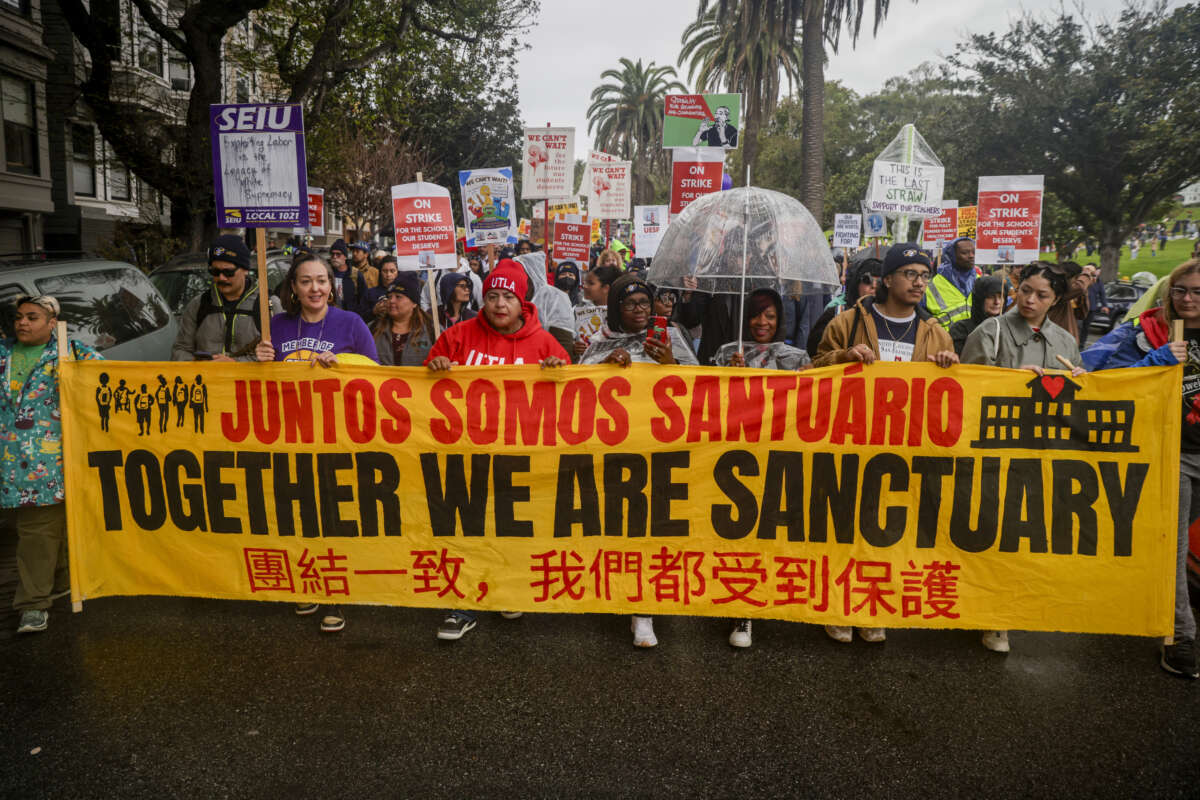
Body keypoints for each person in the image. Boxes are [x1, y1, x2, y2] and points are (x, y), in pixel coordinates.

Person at [813, 244, 959, 644]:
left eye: (924, 276)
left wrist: (949, 366)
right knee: (844, 529)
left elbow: (951, 394)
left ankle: (872, 604)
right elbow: (813, 371)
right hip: (851, 445)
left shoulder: (936, 333)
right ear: (888, 279)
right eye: (910, 273)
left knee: (889, 530)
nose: (918, 282)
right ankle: (840, 605)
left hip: (905, 451)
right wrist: (843, 356)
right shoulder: (847, 322)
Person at [425, 262, 569, 640]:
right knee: (464, 531)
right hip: (464, 455)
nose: (499, 304)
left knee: (513, 528)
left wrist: (558, 371)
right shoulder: (457, 336)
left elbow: (573, 397)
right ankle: (460, 606)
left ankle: (508, 588)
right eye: (492, 296)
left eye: (508, 297)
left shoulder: (544, 343)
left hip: (520, 459)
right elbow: (422, 391)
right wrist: (435, 366)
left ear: (523, 303)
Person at [961, 262, 1086, 654]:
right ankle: (975, 607)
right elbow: (965, 388)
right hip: (991, 452)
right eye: (1025, 290)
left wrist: (1080, 383)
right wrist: (1010, 383)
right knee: (983, 532)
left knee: (1022, 534)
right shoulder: (990, 331)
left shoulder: (1065, 342)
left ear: (1057, 300)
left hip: (1041, 455)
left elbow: (1074, 406)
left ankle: (1002, 614)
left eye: (1041, 295)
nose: (1029, 300)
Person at [256, 252, 377, 635]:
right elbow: (260, 385)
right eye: (306, 281)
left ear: (332, 285)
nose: (315, 288)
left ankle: (336, 595)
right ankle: (306, 582)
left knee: (334, 516)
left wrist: (345, 366)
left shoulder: (352, 323)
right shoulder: (275, 325)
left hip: (337, 438)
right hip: (290, 437)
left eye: (322, 280)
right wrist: (257, 360)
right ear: (293, 287)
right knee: (298, 514)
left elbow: (377, 376)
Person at [578, 273, 699, 648]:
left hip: (661, 451)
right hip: (616, 453)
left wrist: (671, 363)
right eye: (631, 305)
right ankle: (618, 593)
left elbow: (702, 387)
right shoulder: (600, 342)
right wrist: (604, 369)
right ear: (615, 308)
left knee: (653, 528)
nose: (640, 311)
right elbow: (576, 388)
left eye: (645, 303)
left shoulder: (670, 337)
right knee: (619, 526)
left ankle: (644, 608)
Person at [1095, 258, 1200, 678]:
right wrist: (1153, 362)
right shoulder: (1144, 332)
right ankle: (1181, 637)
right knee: (1171, 547)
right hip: (1167, 453)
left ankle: (1132, 593)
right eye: (1180, 291)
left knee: (1161, 545)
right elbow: (1103, 381)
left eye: (1196, 292)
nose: (1188, 299)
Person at [713, 288, 811, 648]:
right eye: (755, 314)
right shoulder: (727, 354)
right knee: (737, 533)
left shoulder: (796, 357)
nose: (762, 323)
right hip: (733, 462)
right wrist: (727, 378)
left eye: (770, 316)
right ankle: (742, 610)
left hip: (777, 459)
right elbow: (705, 404)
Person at [1, 295, 103, 633]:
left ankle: (32, 605)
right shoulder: (3, 354)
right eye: (19, 317)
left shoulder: (69, 352)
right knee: (44, 530)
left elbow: (108, 380)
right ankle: (58, 580)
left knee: (37, 532)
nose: (22, 323)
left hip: (49, 463)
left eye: (32, 317)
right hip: (9, 462)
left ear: (52, 323)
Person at [172, 234, 281, 361]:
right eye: (215, 272)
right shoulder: (198, 305)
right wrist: (203, 366)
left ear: (245, 270)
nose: (222, 278)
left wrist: (235, 366)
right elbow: (180, 350)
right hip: (207, 379)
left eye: (228, 272)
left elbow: (281, 356)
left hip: (248, 380)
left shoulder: (268, 305)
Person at [807, 258, 882, 357]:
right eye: (867, 280)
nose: (874, 286)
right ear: (856, 283)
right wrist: (845, 355)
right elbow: (816, 353)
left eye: (880, 282)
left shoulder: (891, 318)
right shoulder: (837, 313)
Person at [372, 273, 436, 366]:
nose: (391, 301)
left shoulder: (432, 330)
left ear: (414, 303)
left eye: (398, 297)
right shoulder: (372, 329)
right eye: (389, 297)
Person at [925, 237, 977, 329]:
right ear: (951, 255)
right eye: (965, 252)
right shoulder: (932, 286)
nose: (971, 256)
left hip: (975, 340)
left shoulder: (979, 282)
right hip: (944, 341)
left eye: (974, 252)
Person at [948, 275, 1005, 355]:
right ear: (979, 299)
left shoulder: (1008, 329)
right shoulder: (960, 330)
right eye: (991, 296)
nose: (997, 302)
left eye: (1001, 297)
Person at [328, 240, 368, 316]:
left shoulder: (355, 274)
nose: (334, 257)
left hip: (350, 317)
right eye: (332, 254)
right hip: (331, 315)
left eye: (338, 254)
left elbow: (363, 299)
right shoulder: (327, 274)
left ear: (345, 256)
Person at [1080, 263, 1110, 346]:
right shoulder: (1083, 279)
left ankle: (1081, 344)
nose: (1097, 273)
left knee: (1086, 327)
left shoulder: (1099, 282)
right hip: (1081, 307)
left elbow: (1102, 294)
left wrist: (1105, 305)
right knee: (1079, 326)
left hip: (1091, 308)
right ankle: (1075, 342)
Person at [363, 255, 399, 322]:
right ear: (380, 272)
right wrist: (373, 311)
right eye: (385, 271)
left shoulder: (404, 293)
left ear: (398, 272)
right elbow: (361, 317)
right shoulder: (370, 293)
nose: (388, 274)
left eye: (392, 271)